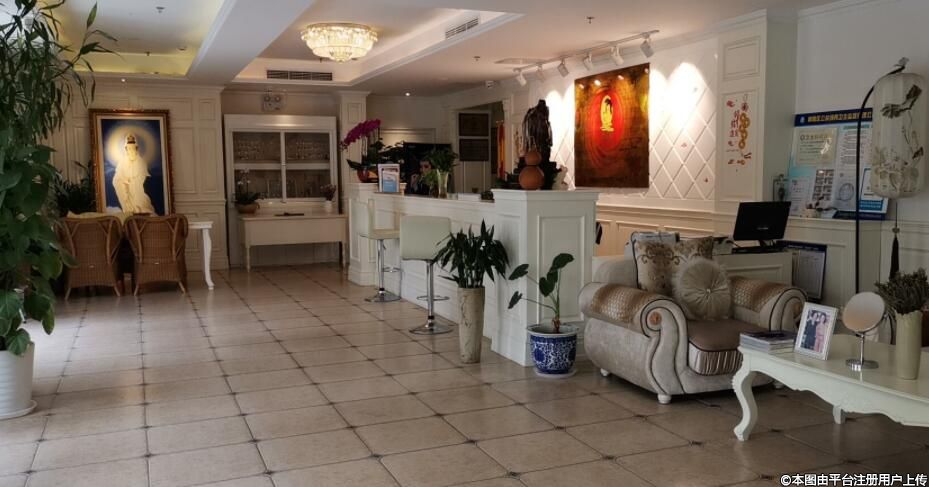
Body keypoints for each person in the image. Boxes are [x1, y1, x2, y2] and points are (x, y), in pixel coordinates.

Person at [112, 133, 155, 214]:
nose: (131, 151)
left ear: (136, 148)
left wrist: (133, 182)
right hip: (126, 187)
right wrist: (124, 181)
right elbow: (117, 178)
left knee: (139, 198)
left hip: (136, 187)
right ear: (126, 149)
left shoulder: (141, 162)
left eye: (133, 148)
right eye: (129, 148)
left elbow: (141, 177)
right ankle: (128, 209)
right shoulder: (122, 162)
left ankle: (139, 209)